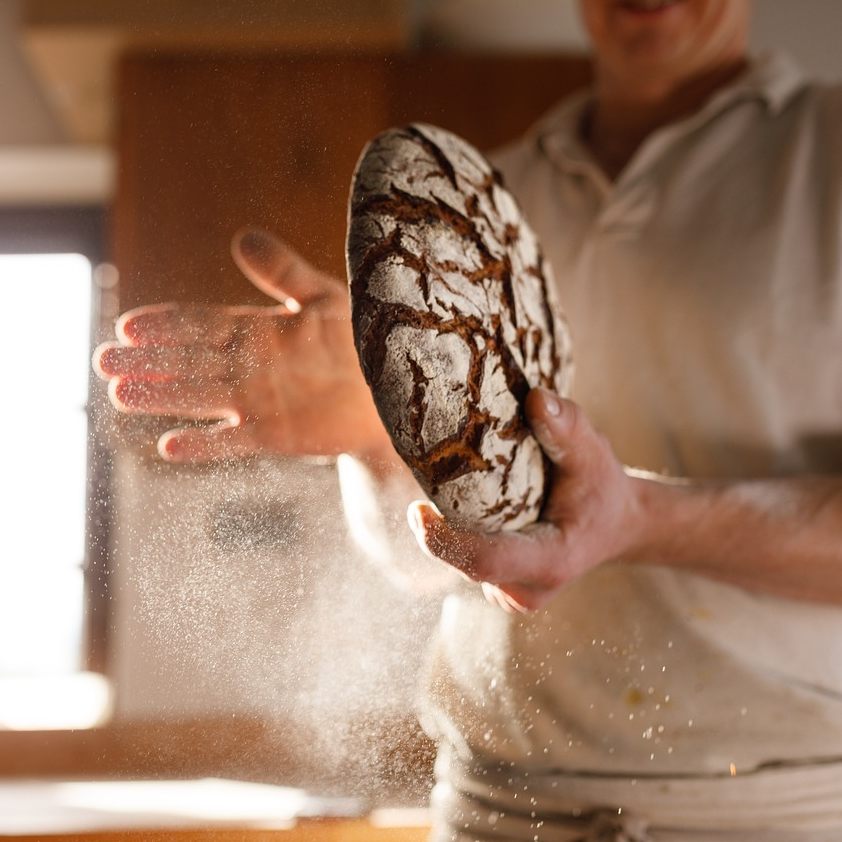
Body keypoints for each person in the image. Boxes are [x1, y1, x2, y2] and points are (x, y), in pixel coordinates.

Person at [95, 0, 842, 838]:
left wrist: (644, 518)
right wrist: (380, 434)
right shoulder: (471, 200)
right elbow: (439, 565)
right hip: (490, 807)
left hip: (777, 812)